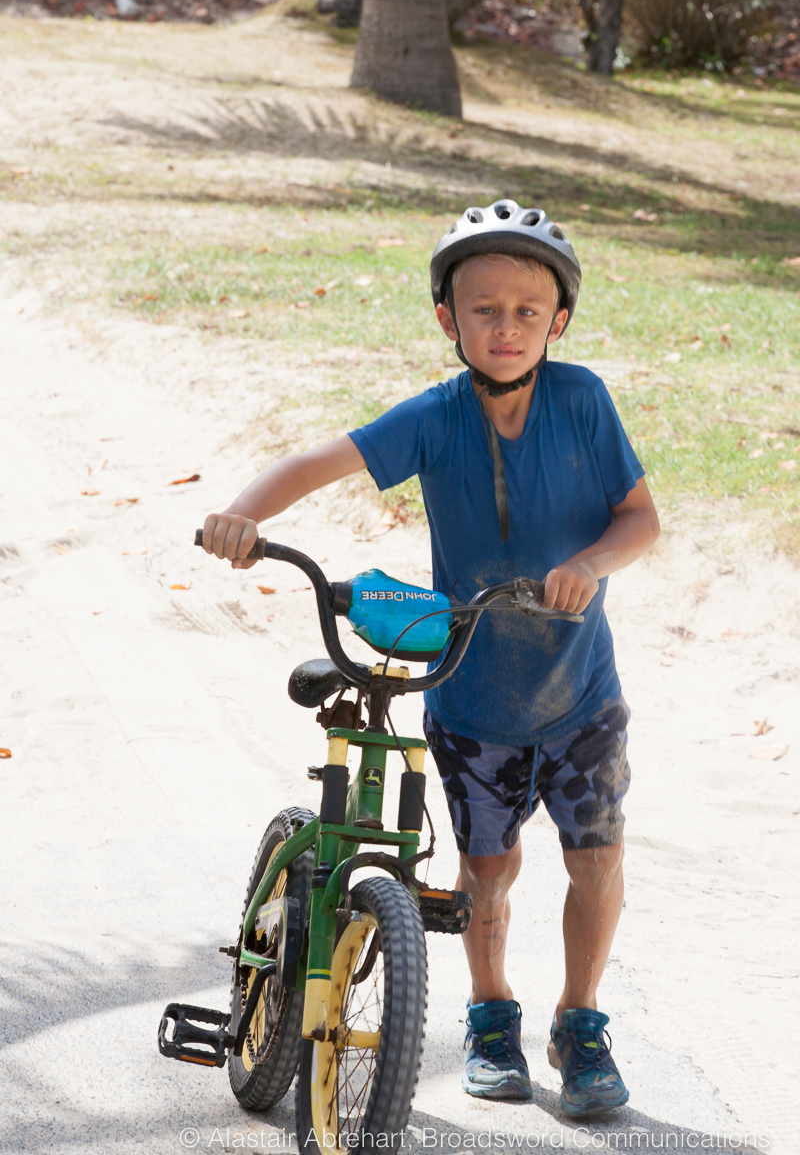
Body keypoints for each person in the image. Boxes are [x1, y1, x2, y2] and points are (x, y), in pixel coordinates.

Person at [202, 200, 660, 1119]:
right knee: (486, 873)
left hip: (581, 693)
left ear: (560, 321)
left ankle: (579, 1021)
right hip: (473, 696)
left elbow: (640, 518)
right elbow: (317, 463)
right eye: (484, 309)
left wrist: (590, 564)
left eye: (527, 311)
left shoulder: (583, 402)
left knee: (597, 860)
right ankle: (491, 1016)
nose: (506, 327)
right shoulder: (436, 416)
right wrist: (243, 515)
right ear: (449, 319)